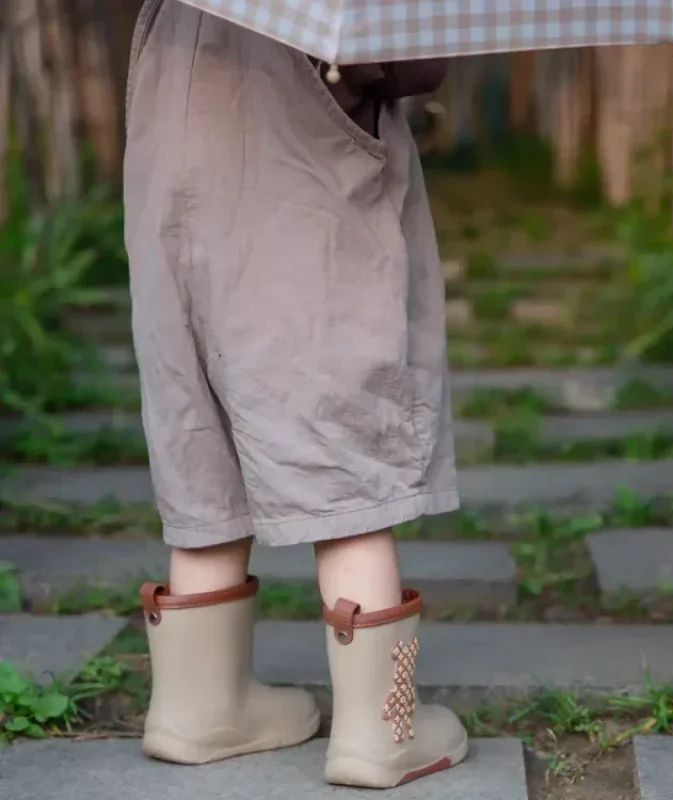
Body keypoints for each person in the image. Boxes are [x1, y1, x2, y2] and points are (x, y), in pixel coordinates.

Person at [125, 0, 466, 788]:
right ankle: (384, 729)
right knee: (337, 429)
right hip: (295, 178)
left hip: (171, 160)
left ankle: (200, 705)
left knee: (199, 427)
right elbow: (406, 59)